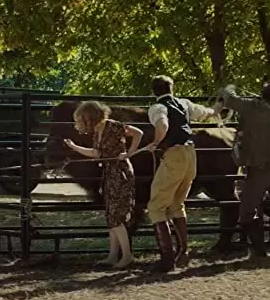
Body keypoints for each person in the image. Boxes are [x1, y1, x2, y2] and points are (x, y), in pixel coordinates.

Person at [144, 75, 224, 272]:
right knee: (177, 204)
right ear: (172, 88)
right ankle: (183, 253)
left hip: (174, 155)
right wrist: (218, 107)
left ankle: (167, 259)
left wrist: (156, 143)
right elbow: (208, 113)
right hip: (190, 154)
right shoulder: (184, 103)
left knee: (155, 206)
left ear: (154, 91)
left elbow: (162, 125)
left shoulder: (157, 108)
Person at [218, 82, 270, 258]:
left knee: (247, 210)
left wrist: (230, 86)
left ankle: (259, 251)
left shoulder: (250, 108)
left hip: (258, 168)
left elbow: (230, 99)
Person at [63, 101, 143, 269]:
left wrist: (129, 153)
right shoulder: (97, 131)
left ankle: (127, 256)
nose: (81, 122)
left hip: (120, 173)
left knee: (116, 215)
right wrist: (74, 147)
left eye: (83, 118)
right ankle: (113, 256)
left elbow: (138, 133)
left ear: (90, 117)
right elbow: (97, 154)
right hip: (108, 172)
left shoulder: (113, 126)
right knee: (111, 214)